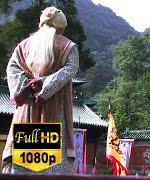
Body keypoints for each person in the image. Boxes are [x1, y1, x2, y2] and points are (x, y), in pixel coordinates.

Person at [1, 6, 79, 174]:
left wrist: (28, 86)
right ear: (61, 27)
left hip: (26, 112)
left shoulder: (23, 46)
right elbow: (71, 69)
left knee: (24, 166)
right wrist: (45, 85)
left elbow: (12, 70)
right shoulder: (69, 47)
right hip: (55, 111)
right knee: (51, 167)